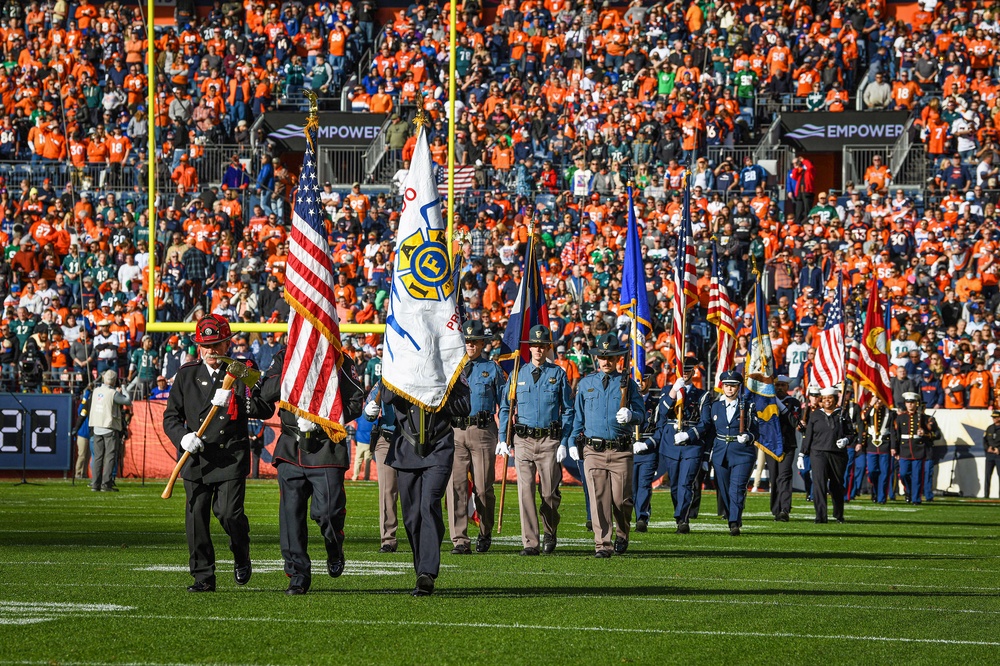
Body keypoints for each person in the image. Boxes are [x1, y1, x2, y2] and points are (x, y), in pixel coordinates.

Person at [163, 315, 274, 592]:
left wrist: (238, 399)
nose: (211, 351)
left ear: (227, 344)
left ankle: (241, 552)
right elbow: (170, 418)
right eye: (205, 346)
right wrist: (183, 437)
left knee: (228, 514)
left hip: (230, 456)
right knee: (196, 517)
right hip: (197, 456)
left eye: (216, 345)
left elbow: (265, 408)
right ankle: (203, 576)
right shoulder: (187, 375)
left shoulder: (243, 370)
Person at [259, 347, 364, 595]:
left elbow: (355, 401)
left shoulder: (339, 359)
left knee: (328, 512)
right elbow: (266, 392)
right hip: (290, 447)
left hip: (325, 447)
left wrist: (324, 418)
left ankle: (334, 544)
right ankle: (298, 573)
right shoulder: (284, 357)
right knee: (291, 516)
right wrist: (293, 370)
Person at [379, 377, 471, 596]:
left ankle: (428, 573)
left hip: (439, 446)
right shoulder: (399, 366)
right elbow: (387, 396)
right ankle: (421, 570)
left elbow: (464, 407)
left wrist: (436, 388)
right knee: (411, 515)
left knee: (429, 503)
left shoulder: (449, 367)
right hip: (406, 447)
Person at [498, 325, 575, 556]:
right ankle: (530, 542)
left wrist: (564, 440)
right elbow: (505, 407)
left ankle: (550, 530)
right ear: (529, 348)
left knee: (549, 493)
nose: (538, 349)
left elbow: (568, 410)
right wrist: (503, 438)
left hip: (549, 441)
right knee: (525, 491)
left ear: (547, 348)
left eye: (542, 346)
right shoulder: (516, 375)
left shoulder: (558, 374)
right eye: (535, 345)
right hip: (523, 440)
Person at [569, 333, 644, 557]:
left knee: (621, 500)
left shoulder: (628, 384)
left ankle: (622, 532)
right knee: (598, 499)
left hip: (620, 450)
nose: (605, 361)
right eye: (602, 357)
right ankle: (602, 544)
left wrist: (631, 415)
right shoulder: (586, 383)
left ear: (617, 359)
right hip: (593, 450)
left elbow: (642, 415)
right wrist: (572, 440)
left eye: (610, 357)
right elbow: (578, 416)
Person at [447, 320, 504, 555]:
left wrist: (503, 436)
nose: (470, 345)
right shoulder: (451, 368)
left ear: (482, 343)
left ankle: (485, 531)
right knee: (456, 486)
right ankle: (459, 539)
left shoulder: (492, 369)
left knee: (482, 488)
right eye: (467, 341)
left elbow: (506, 402)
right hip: (456, 432)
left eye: (475, 341)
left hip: (483, 431)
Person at [654, 359, 711, 533]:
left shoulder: (702, 395)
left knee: (686, 483)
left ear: (693, 372)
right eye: (681, 369)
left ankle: (683, 518)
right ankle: (679, 511)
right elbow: (662, 413)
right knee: (675, 485)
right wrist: (673, 392)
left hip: (691, 445)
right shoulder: (667, 390)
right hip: (671, 443)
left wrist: (688, 434)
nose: (684, 373)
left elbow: (706, 422)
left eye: (688, 370)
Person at [707, 370, 759, 536]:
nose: (730, 389)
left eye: (733, 386)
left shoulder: (748, 406)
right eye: (727, 385)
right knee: (724, 488)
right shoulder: (715, 406)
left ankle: (734, 522)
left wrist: (748, 436)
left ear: (739, 387)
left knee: (736, 489)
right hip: (721, 452)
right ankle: (732, 515)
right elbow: (710, 431)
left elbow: (758, 430)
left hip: (742, 453)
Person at [801, 386, 855, 523]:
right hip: (818, 453)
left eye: (830, 398)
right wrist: (802, 454)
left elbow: (852, 434)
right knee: (819, 484)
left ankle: (838, 514)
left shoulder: (842, 414)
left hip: (837, 454)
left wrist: (846, 440)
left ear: (835, 399)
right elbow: (808, 436)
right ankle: (820, 516)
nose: (827, 401)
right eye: (824, 398)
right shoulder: (815, 415)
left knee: (837, 485)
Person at [364, 381, 400, 553]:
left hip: (412, 441)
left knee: (415, 492)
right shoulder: (383, 382)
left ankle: (421, 536)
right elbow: (369, 414)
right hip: (386, 438)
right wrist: (369, 410)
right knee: (387, 490)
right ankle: (388, 538)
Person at [891, 392, 940, 504]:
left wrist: (925, 433)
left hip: (919, 449)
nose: (910, 405)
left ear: (916, 404)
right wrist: (895, 448)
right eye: (908, 402)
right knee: (903, 474)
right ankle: (909, 490)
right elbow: (896, 435)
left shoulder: (924, 418)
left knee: (917, 476)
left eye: (912, 402)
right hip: (904, 450)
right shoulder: (900, 418)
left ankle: (916, 499)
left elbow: (935, 434)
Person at [88, 369, 132, 492]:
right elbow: (128, 401)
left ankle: (95, 484)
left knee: (97, 457)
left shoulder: (96, 391)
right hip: (109, 427)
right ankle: (106, 484)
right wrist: (124, 388)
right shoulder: (112, 393)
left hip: (96, 426)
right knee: (109, 457)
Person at [767, 375, 801, 521]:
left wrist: (780, 405)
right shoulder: (767, 401)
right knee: (774, 477)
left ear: (788, 387)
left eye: (782, 385)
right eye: (777, 385)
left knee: (785, 476)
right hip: (771, 445)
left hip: (787, 444)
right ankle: (776, 508)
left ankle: (784, 509)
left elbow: (794, 421)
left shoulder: (793, 402)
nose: (779, 388)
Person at [632, 373, 661, 532]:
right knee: (630, 488)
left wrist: (647, 444)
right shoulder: (626, 401)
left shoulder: (655, 403)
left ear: (650, 381)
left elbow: (660, 428)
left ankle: (642, 517)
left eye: (643, 379)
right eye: (637, 379)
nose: (640, 383)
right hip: (629, 448)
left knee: (643, 484)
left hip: (648, 451)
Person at [862, 401, 893, 504]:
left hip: (885, 445)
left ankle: (882, 497)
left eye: (880, 399)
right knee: (872, 471)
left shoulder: (890, 412)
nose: (879, 402)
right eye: (877, 399)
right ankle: (875, 490)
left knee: (884, 473)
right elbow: (863, 418)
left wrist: (893, 447)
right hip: (872, 446)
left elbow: (892, 431)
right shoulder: (870, 410)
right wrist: (871, 405)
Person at [796, 386, 820, 500]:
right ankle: (809, 489)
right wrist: (801, 425)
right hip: (806, 445)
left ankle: (812, 494)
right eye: (813, 396)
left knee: (816, 472)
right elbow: (798, 427)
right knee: (804, 471)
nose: (814, 398)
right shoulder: (805, 410)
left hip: (818, 444)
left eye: (816, 396)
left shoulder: (821, 410)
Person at [984, 410, 1000, 498]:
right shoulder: (990, 428)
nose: (993, 419)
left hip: (998, 455)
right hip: (990, 455)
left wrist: (999, 449)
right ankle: (986, 494)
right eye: (993, 417)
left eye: (995, 417)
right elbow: (985, 440)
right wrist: (987, 448)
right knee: (987, 475)